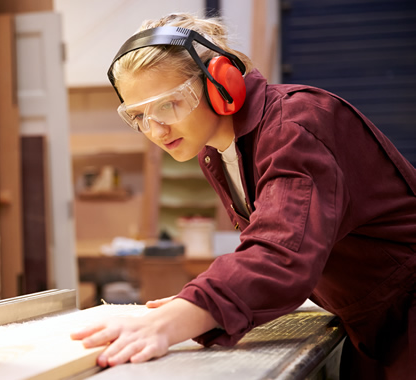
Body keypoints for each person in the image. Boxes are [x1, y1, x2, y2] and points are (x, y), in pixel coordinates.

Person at [70, 12, 416, 379]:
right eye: (138, 116)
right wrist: (201, 300)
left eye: (168, 104)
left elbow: (281, 251)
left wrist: (182, 315)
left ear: (221, 81)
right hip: (370, 323)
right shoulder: (218, 153)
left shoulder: (295, 127)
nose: (155, 129)